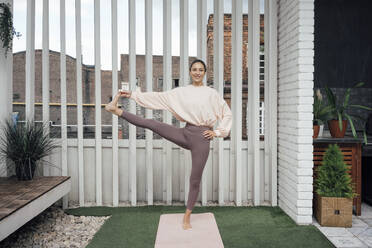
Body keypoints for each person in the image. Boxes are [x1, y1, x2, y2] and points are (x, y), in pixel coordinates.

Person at [105, 59, 232, 230]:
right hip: (186, 133)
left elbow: (227, 114)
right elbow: (159, 98)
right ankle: (117, 110)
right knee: (152, 124)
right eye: (194, 69)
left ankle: (187, 216)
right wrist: (134, 95)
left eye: (200, 70)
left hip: (202, 138)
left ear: (204, 72)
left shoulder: (212, 94)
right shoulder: (181, 92)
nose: (197, 72)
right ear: (190, 71)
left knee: (195, 179)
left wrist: (217, 132)